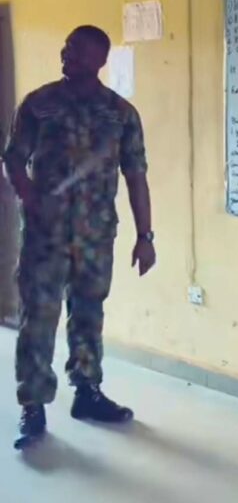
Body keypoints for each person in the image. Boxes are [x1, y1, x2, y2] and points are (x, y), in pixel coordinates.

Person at [4, 25, 157, 448]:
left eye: (77, 50)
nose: (66, 54)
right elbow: (13, 158)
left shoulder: (121, 114)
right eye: (67, 47)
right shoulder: (38, 104)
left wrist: (145, 235)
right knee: (39, 317)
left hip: (96, 236)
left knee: (89, 313)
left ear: (100, 60)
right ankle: (33, 405)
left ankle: (87, 393)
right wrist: (30, 196)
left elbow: (136, 176)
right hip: (45, 236)